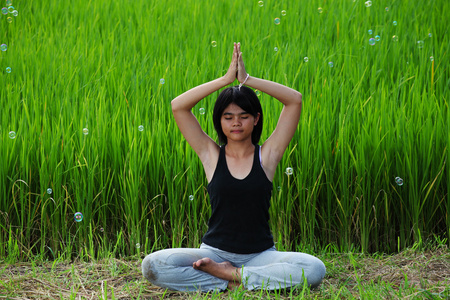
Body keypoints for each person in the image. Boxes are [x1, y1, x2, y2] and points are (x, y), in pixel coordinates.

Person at [142, 42, 326, 292]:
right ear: (219, 121)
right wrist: (225, 80)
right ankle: (239, 279)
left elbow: (294, 100)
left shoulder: (268, 156)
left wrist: (247, 79)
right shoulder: (211, 155)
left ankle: (232, 276)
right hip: (214, 253)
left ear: (256, 119)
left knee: (314, 268)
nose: (236, 123)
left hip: (260, 255)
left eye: (243, 116)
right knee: (153, 265)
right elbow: (179, 106)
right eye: (228, 117)